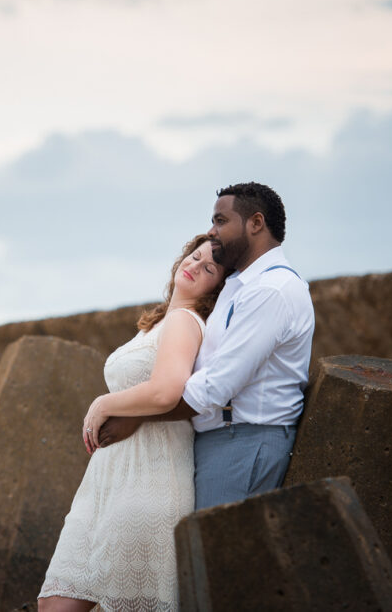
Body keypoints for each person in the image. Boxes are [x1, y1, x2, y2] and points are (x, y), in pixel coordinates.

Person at [97, 182, 315, 511]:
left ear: (255, 223)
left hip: (243, 442)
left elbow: (215, 384)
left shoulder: (272, 289)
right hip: (225, 439)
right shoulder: (241, 285)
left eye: (221, 221)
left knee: (218, 559)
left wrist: (137, 417)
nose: (212, 232)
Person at [38, 233, 226, 612]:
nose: (194, 265)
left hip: (147, 482)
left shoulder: (185, 322)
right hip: (106, 482)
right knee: (54, 604)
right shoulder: (158, 323)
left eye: (208, 268)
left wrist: (104, 402)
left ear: (216, 288)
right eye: (194, 255)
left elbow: (165, 392)